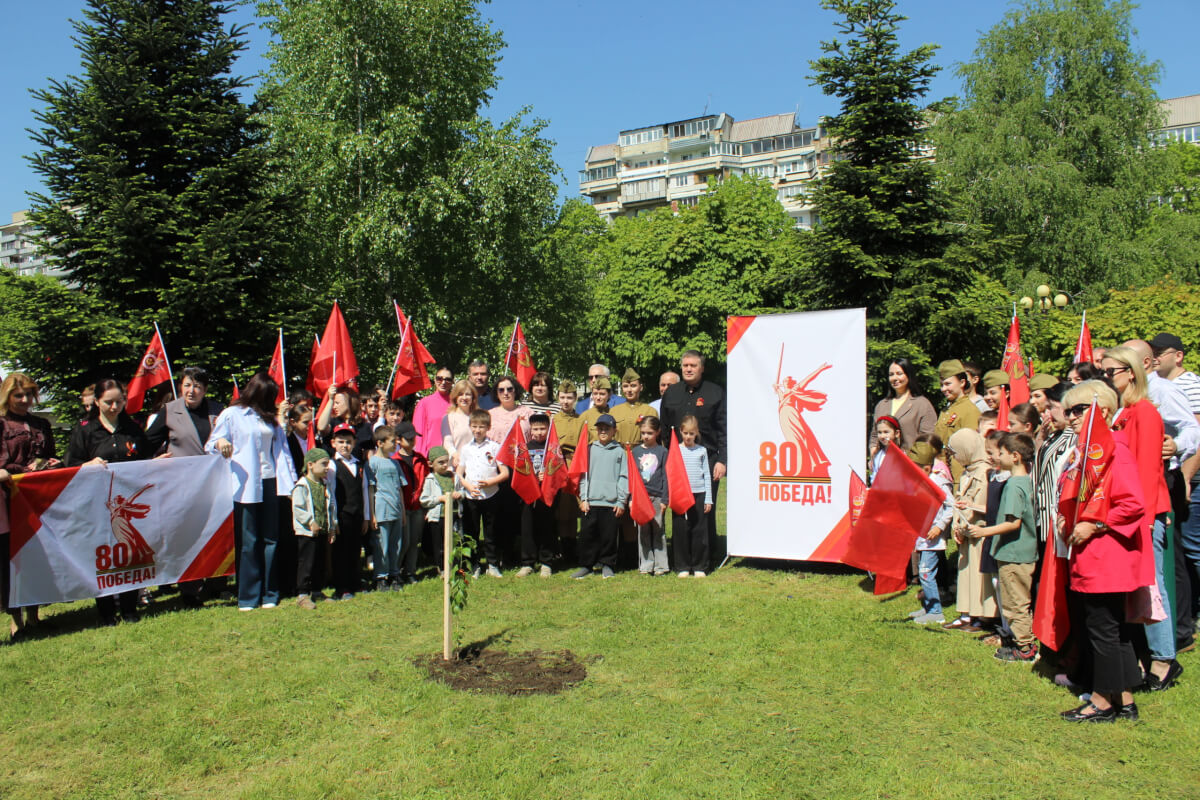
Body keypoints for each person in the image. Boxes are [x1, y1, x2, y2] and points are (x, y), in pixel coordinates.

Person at [1057, 380, 1149, 722]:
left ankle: (1101, 701)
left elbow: (1133, 504)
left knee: (1103, 630)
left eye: (1078, 410)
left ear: (1103, 411)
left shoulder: (1115, 450)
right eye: (1068, 411)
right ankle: (1125, 700)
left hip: (1106, 555)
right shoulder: (1090, 451)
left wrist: (1095, 525)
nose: (1071, 417)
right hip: (1093, 555)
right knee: (1113, 628)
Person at [1101, 345, 1178, 689]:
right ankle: (1144, 656)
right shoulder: (1123, 412)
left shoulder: (1145, 412)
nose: (1106, 377)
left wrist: (1144, 520)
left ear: (1131, 373)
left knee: (1151, 586)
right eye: (1103, 372)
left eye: (1111, 372)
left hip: (1142, 512)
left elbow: (1147, 467)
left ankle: (1164, 660)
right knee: (1133, 586)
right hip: (1124, 512)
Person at [65, 378, 155, 625]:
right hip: (96, 504)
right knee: (103, 554)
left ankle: (129, 607)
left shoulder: (133, 428)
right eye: (108, 402)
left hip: (126, 505)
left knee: (129, 552)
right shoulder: (85, 430)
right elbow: (70, 465)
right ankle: (105, 611)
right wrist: (87, 464)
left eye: (119, 401)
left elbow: (146, 459)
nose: (114, 407)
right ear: (96, 401)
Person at [207, 372, 297, 611]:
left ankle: (270, 592)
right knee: (249, 540)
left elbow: (283, 452)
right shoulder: (232, 414)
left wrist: (290, 482)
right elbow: (211, 444)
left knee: (271, 539)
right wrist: (220, 443)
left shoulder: (270, 419)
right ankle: (248, 595)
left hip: (270, 481)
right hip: (245, 485)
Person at [144, 367, 227, 605]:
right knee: (187, 536)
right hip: (182, 486)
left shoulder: (218, 411)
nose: (192, 391)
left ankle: (217, 583)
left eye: (197, 386)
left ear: (205, 390)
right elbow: (147, 444)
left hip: (214, 484)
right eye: (187, 385)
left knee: (215, 533)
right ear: (181, 386)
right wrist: (153, 462)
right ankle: (189, 589)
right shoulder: (169, 411)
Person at [966, 432, 1039, 662]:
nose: (997, 456)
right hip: (1020, 553)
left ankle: (1025, 648)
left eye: (1002, 452)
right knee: (1016, 601)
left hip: (1014, 554)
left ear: (1015, 456)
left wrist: (983, 532)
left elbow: (1013, 523)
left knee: (1015, 603)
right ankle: (1021, 643)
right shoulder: (1025, 481)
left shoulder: (1015, 485)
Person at [0, 373, 58, 639]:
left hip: (37, 500)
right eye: (18, 395)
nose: (24, 400)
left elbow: (50, 455)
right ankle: (16, 622)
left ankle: (34, 616)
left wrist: (50, 463)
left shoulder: (41, 424)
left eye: (28, 395)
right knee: (11, 559)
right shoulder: (1, 425)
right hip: (7, 501)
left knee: (37, 557)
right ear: (7, 396)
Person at [659, 350, 727, 567]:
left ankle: (707, 556)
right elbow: (664, 429)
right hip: (677, 461)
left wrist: (722, 460)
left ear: (702, 368)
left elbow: (724, 429)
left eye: (693, 365)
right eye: (685, 365)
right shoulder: (671, 393)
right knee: (679, 508)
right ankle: (681, 556)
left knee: (705, 508)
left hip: (707, 459)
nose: (688, 369)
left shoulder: (715, 392)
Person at [943, 428, 997, 631]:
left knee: (979, 577)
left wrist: (966, 518)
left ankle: (983, 615)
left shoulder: (984, 472)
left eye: (956, 452)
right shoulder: (969, 470)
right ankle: (966, 612)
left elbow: (982, 502)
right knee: (966, 574)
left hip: (979, 531)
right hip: (966, 532)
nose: (955, 458)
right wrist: (957, 526)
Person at [573, 414, 627, 580]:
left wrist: (621, 501)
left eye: (607, 429)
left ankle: (607, 564)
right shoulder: (589, 450)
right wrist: (583, 498)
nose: (603, 431)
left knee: (609, 536)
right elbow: (583, 476)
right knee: (588, 535)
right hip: (591, 501)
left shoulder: (620, 452)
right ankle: (587, 565)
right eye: (600, 428)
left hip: (611, 502)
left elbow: (624, 477)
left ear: (614, 431)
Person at [457, 409, 508, 577]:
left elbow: (505, 473)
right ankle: (474, 564)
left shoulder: (495, 447)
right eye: (474, 426)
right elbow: (459, 474)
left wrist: (490, 482)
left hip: (491, 495)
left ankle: (492, 564)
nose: (477, 430)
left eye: (481, 427)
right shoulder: (466, 449)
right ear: (470, 426)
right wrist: (468, 486)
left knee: (490, 531)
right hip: (471, 496)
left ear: (488, 428)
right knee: (471, 532)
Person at [325, 423, 372, 599]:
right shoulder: (332, 465)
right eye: (341, 441)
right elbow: (330, 493)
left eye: (348, 442)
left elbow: (365, 490)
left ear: (354, 443)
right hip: (342, 515)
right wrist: (333, 520)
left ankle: (355, 582)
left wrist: (366, 517)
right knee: (341, 552)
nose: (345, 445)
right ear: (333, 443)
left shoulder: (359, 464)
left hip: (357, 514)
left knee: (354, 549)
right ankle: (342, 586)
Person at [907, 435, 951, 624]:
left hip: (933, 539)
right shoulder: (920, 482)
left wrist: (940, 527)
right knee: (925, 573)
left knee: (926, 573)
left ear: (926, 468)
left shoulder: (938, 482)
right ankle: (927, 607)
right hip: (922, 537)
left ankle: (936, 612)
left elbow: (951, 506)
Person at [291, 447, 336, 609]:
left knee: (319, 562)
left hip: (322, 530)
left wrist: (332, 526)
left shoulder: (324, 485)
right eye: (323, 464)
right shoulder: (302, 486)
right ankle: (303, 594)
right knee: (307, 562)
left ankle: (317, 590)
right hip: (307, 533)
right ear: (310, 464)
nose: (327, 468)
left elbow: (330, 506)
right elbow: (298, 508)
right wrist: (310, 521)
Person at [516, 413, 557, 577]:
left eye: (542, 429)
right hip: (529, 495)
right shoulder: (526, 447)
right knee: (527, 528)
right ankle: (528, 562)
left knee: (547, 527)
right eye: (536, 429)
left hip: (545, 495)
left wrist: (547, 475)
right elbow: (521, 469)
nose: (539, 432)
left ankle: (546, 562)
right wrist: (532, 477)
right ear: (530, 430)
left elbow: (557, 469)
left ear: (548, 429)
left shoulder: (552, 447)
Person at [674, 414, 714, 578]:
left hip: (699, 494)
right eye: (685, 433)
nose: (688, 437)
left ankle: (699, 566)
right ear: (680, 432)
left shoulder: (701, 450)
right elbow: (672, 474)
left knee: (699, 531)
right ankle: (683, 566)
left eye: (692, 433)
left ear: (696, 433)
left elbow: (706, 475)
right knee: (681, 530)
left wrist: (708, 498)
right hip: (681, 495)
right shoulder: (676, 450)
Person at [869, 358, 936, 454]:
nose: (894, 378)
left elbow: (927, 439)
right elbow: (874, 436)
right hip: (885, 460)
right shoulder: (881, 405)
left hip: (911, 460)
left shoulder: (922, 404)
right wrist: (874, 455)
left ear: (908, 375)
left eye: (899, 373)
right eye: (891, 374)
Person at [368, 425, 407, 591]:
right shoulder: (372, 463)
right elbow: (370, 490)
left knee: (395, 544)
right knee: (381, 546)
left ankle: (394, 573)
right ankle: (381, 576)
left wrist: (403, 511)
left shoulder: (395, 463)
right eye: (392, 441)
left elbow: (400, 488)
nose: (395, 444)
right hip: (381, 510)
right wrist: (372, 514)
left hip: (396, 510)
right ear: (380, 443)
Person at [632, 416, 670, 576]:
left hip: (657, 497)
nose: (646, 436)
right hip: (641, 498)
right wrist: (632, 499)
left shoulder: (662, 452)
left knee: (658, 530)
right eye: (643, 433)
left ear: (658, 432)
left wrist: (665, 499)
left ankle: (661, 565)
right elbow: (633, 477)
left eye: (649, 433)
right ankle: (646, 565)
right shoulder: (635, 452)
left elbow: (666, 477)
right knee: (643, 531)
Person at [392, 420, 428, 584]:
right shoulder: (394, 461)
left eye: (414, 438)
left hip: (418, 506)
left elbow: (425, 479)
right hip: (403, 507)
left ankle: (410, 571)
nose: (413, 441)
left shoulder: (420, 459)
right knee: (403, 542)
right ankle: (395, 571)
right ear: (398, 440)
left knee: (414, 541)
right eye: (408, 439)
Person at [934, 360, 981, 481]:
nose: (943, 389)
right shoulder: (946, 411)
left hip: (959, 476)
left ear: (962, 382)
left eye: (948, 384)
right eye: (942, 385)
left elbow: (971, 450)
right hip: (942, 472)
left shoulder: (970, 410)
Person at [552, 380, 584, 553]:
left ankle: (573, 546)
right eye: (563, 397)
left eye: (569, 398)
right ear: (558, 398)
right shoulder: (553, 420)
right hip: (559, 466)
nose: (566, 401)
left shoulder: (581, 420)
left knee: (574, 507)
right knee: (562, 509)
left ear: (575, 399)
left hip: (576, 465)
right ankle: (562, 546)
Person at [420, 446, 462, 572]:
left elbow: (462, 491)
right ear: (431, 464)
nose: (445, 465)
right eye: (441, 462)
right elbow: (424, 500)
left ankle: (455, 565)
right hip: (438, 517)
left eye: (446, 461)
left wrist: (459, 495)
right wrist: (439, 499)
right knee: (439, 544)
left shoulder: (453, 476)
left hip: (454, 514)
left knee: (454, 540)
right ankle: (442, 567)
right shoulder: (430, 479)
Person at [316, 384, 374, 461]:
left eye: (337, 403)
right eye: (333, 403)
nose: (334, 407)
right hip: (333, 466)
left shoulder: (364, 427)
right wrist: (330, 399)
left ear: (349, 402)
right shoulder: (332, 422)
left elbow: (369, 456)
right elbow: (321, 427)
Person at [411, 366, 454, 456]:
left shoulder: (456, 404)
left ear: (452, 382)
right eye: (439, 378)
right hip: (431, 456)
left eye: (448, 379)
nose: (443, 382)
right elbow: (418, 433)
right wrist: (421, 456)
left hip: (452, 455)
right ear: (434, 380)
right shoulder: (424, 403)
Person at [611, 368, 657, 447]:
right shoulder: (614, 411)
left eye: (633, 386)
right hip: (619, 451)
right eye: (625, 386)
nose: (629, 390)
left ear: (641, 387)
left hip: (642, 451)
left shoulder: (650, 411)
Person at [441, 380, 478, 468]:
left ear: (473, 397)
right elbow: (447, 442)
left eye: (468, 394)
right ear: (455, 397)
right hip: (456, 465)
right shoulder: (449, 418)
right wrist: (456, 455)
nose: (464, 397)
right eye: (460, 394)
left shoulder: (478, 417)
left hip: (475, 465)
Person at [869, 415, 901, 482]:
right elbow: (874, 478)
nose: (882, 436)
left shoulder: (902, 455)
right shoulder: (878, 456)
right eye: (879, 432)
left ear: (897, 433)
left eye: (886, 432)